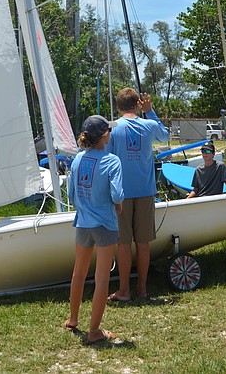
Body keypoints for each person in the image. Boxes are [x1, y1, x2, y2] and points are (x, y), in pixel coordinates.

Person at [65, 115, 124, 345]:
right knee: (102, 279)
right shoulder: (112, 161)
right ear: (103, 136)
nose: (111, 133)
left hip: (82, 223)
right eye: (108, 130)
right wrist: (116, 202)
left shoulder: (78, 159)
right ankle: (95, 331)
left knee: (78, 273)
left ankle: (73, 319)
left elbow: (71, 194)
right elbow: (118, 195)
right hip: (105, 225)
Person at [107, 88, 170, 301]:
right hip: (145, 192)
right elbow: (165, 136)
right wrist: (150, 111)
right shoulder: (149, 125)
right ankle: (142, 290)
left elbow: (106, 160)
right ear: (138, 104)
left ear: (118, 107)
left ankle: (124, 290)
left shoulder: (112, 128)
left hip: (120, 194)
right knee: (143, 243)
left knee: (123, 243)